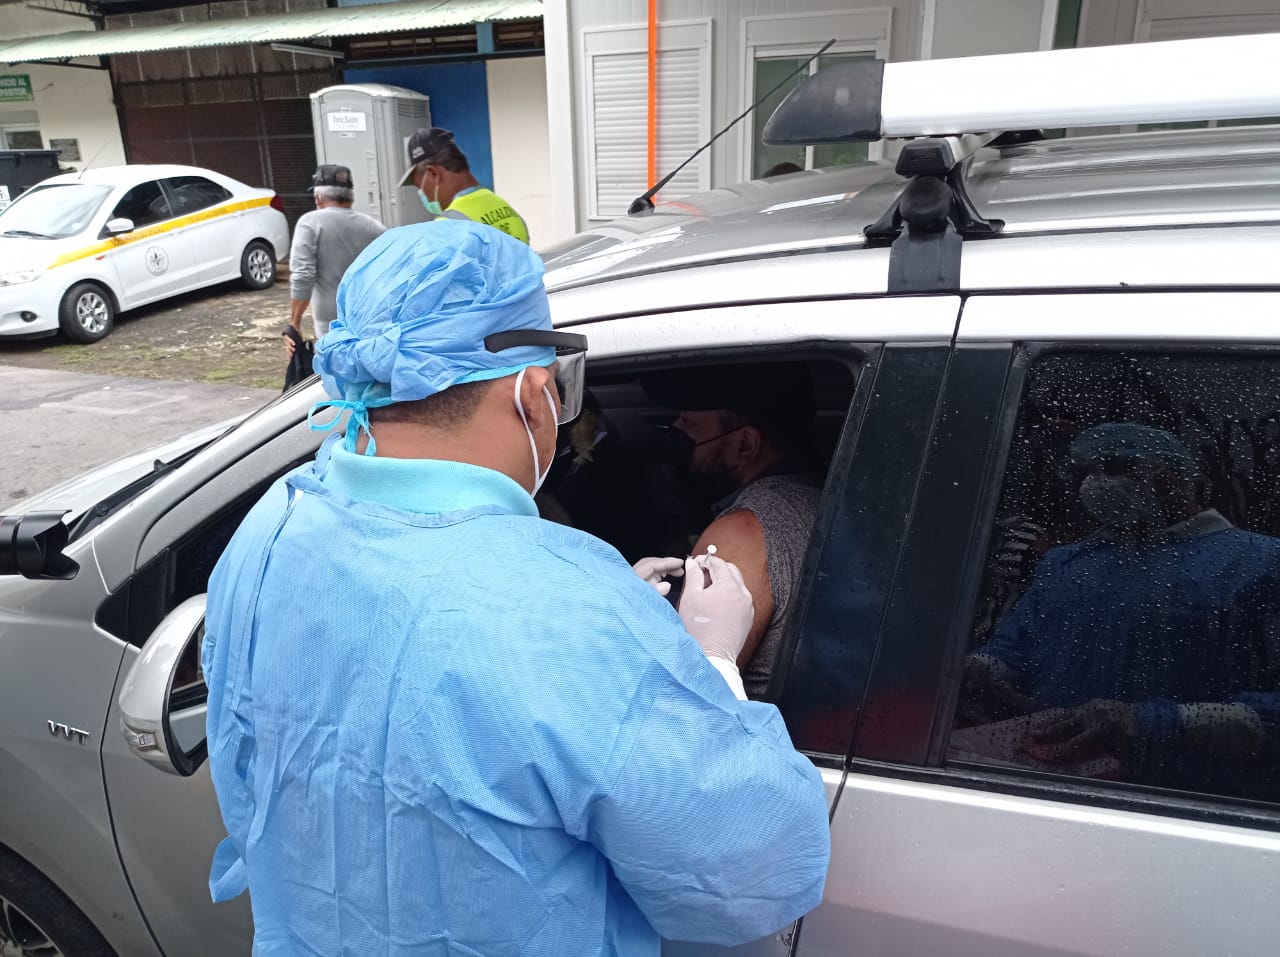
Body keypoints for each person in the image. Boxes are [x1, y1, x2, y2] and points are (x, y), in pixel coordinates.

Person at [202, 220, 830, 955]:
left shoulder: (270, 526)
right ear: (536, 393)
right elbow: (755, 875)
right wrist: (709, 666)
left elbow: (248, 776)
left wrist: (607, 630)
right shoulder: (574, 611)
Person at [958, 422, 1280, 799]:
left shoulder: (1262, 563)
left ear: (1173, 477)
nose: (1094, 484)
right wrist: (978, 669)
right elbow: (1017, 647)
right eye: (1085, 472)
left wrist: (1158, 723)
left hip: (1188, 799)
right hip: (1043, 774)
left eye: (1114, 467)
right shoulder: (1067, 563)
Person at [635, 364, 822, 699]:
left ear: (745, 445)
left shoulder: (742, 532)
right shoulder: (816, 493)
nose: (676, 429)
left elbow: (682, 700)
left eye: (690, 424)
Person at [283, 164, 385, 354]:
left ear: (318, 197)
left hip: (330, 323)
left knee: (335, 368)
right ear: (350, 197)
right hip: (371, 319)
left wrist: (294, 323)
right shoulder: (375, 227)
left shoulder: (310, 223)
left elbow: (303, 275)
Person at [397, 127, 530, 243]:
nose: (422, 194)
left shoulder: (447, 227)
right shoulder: (507, 210)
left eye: (419, 187)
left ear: (433, 173)